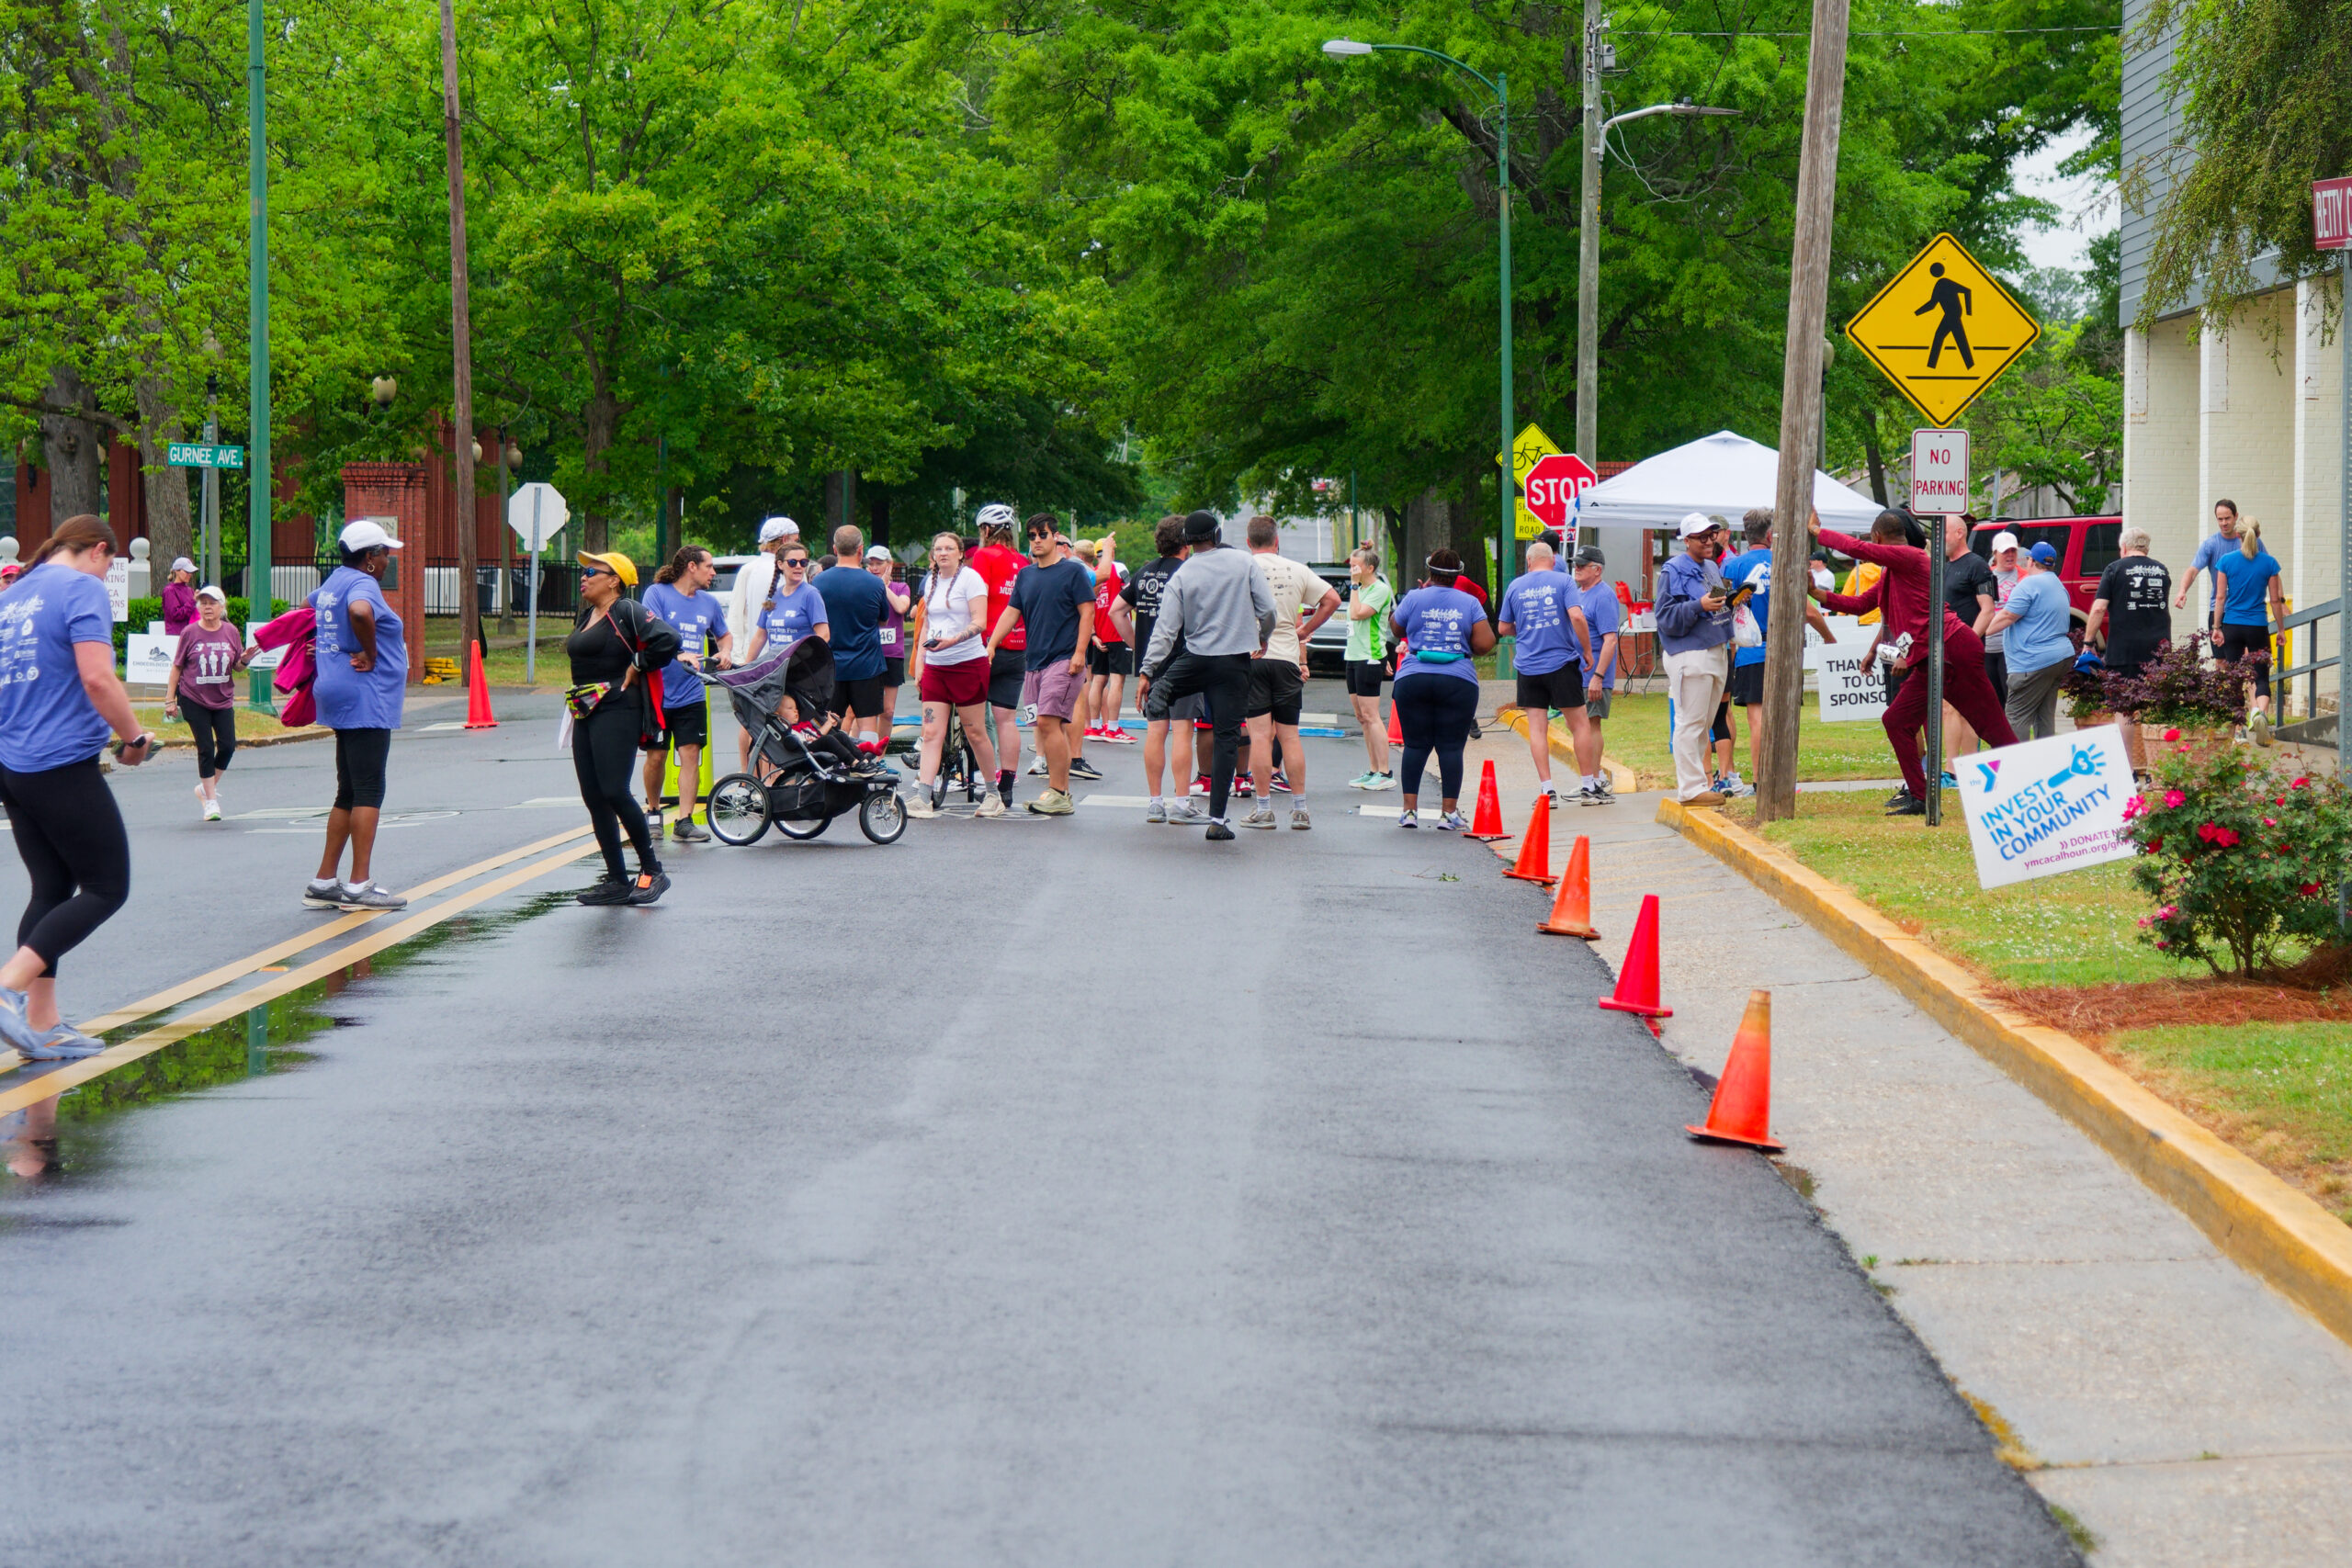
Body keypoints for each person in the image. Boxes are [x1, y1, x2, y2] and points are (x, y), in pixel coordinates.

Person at [0, 514, 154, 1061]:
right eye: (110, 565)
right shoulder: (81, 588)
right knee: (107, 886)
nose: (106, 575)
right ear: (98, 550)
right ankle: (8, 986)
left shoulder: (13, 596)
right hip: (59, 758)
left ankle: (42, 1025)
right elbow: (97, 677)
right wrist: (133, 737)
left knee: (51, 887)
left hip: (12, 761)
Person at [1810, 509, 2015, 815]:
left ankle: (2033, 785)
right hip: (1932, 660)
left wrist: (1818, 532)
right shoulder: (1894, 572)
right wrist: (1815, 592)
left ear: (1878, 537)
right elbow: (1861, 605)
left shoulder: (1911, 557)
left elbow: (1860, 549)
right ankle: (1921, 797)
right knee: (1896, 721)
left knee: (1993, 729)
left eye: (1873, 541)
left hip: (1953, 650)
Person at [1137, 511, 1275, 840]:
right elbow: (1268, 609)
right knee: (1227, 737)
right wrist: (1263, 635)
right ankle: (1218, 820)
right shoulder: (1243, 562)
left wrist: (1147, 671)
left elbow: (1166, 629)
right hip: (1233, 662)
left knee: (1171, 684)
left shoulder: (1184, 573)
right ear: (1217, 534)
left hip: (1196, 658)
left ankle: (1163, 691)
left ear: (1187, 540)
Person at [304, 520, 411, 911]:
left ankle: (323, 881)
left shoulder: (335, 580)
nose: (388, 560)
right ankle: (358, 885)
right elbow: (361, 612)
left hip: (339, 691)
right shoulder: (364, 585)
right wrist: (370, 652)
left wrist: (326, 641)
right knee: (369, 789)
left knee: (348, 789)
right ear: (369, 558)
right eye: (385, 554)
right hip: (366, 695)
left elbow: (311, 605)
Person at [567, 551, 677, 906]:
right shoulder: (587, 614)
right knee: (593, 795)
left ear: (614, 580)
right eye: (583, 572)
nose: (584, 577)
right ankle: (616, 879)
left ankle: (653, 870)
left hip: (619, 706)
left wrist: (639, 662)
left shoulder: (627, 610)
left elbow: (669, 639)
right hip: (586, 708)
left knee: (615, 790)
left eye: (591, 571)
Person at [1717, 510, 1834, 797]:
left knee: (1757, 719)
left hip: (1750, 651)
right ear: (1770, 535)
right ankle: (1783, 779)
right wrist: (1829, 639)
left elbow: (1721, 608)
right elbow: (1809, 612)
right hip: (1785, 652)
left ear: (1746, 534)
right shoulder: (1786, 562)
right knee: (1783, 719)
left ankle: (1761, 783)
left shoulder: (1733, 567)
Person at [985, 514, 1094, 816]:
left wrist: (1080, 653)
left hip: (1064, 659)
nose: (1036, 540)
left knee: (1048, 722)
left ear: (1055, 537)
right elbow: (1011, 613)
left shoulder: (1073, 571)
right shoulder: (1026, 575)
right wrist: (992, 644)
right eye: (1031, 535)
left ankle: (1059, 792)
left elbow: (1087, 612)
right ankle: (1059, 793)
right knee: (1046, 727)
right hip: (1034, 663)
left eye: (1042, 534)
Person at [1387, 548, 1496, 830]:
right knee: (1451, 747)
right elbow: (1486, 643)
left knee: (1415, 745)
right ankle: (1448, 815)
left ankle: (1409, 812)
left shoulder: (1415, 597)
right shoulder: (1470, 603)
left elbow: (1396, 629)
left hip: (1413, 678)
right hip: (1457, 680)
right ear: (1458, 574)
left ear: (1429, 571)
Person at [1241, 516, 1339, 829]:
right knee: (1290, 735)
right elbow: (1332, 600)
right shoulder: (1296, 569)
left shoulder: (1241, 568)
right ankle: (1300, 809)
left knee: (1259, 736)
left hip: (1252, 657)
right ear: (1277, 540)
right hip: (1286, 658)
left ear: (1248, 542)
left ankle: (1263, 809)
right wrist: (1304, 631)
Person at [907, 532, 1007, 819]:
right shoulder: (931, 582)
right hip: (936, 667)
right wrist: (921, 663)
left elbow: (980, 622)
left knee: (975, 731)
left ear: (960, 553)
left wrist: (952, 641)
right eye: (938, 548)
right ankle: (923, 797)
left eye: (949, 548)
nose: (943, 553)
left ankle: (992, 794)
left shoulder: (970, 579)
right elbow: (927, 625)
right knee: (930, 733)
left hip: (967, 664)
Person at [640, 545, 732, 842]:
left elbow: (724, 635)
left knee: (690, 755)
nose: (713, 573)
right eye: (709, 566)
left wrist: (725, 652)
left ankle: (684, 821)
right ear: (692, 567)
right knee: (656, 756)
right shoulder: (657, 594)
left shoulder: (709, 603)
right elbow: (650, 632)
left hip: (692, 692)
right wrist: (678, 652)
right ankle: (653, 810)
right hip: (658, 691)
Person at [1112, 517, 1201, 820]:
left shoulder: (1144, 572)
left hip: (1152, 666)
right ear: (1186, 542)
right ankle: (1182, 802)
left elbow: (1116, 611)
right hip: (1184, 661)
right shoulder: (1188, 572)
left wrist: (1139, 647)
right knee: (1183, 731)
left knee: (1156, 730)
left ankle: (1155, 802)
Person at [1496, 539, 1595, 805]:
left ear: (1528, 562)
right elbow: (1577, 616)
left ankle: (1547, 789)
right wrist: (1587, 650)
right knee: (1580, 724)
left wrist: (1525, 628)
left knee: (1538, 729)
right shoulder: (1564, 581)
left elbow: (1503, 628)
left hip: (1528, 666)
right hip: (1561, 662)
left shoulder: (1515, 586)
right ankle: (1588, 784)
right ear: (1552, 561)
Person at [1655, 513, 1736, 807]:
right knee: (1690, 722)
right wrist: (1698, 605)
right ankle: (1690, 789)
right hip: (1690, 653)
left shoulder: (1712, 566)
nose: (1709, 541)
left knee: (1704, 724)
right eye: (1702, 537)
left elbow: (1716, 603)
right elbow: (1665, 617)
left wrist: (1733, 601)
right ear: (1686, 540)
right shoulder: (1672, 570)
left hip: (1716, 648)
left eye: (1712, 535)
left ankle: (1700, 784)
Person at [163, 583, 253, 820]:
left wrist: (245, 660)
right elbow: (177, 667)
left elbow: (237, 666)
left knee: (228, 746)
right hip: (193, 697)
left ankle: (205, 788)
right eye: (203, 603)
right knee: (205, 747)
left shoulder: (231, 631)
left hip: (222, 699)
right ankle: (211, 802)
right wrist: (170, 700)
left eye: (212, 603)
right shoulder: (190, 632)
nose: (207, 607)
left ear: (222, 607)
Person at [967, 502, 1028, 806]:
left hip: (986, 645)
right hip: (1017, 646)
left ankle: (984, 779)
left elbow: (975, 598)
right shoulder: (1023, 560)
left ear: (988, 530)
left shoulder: (984, 556)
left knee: (974, 718)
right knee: (1006, 720)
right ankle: (1007, 786)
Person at [1985, 541, 2072, 741]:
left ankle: (2016, 760)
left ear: (2031, 561)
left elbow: (2008, 615)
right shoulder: (2059, 585)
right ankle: (2045, 759)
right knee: (2044, 716)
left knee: (2016, 717)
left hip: (2032, 661)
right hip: (2059, 658)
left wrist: (1979, 634)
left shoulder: (2029, 584)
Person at [814, 525, 891, 750]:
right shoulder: (875, 583)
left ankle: (832, 764)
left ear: (835, 549)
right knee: (867, 721)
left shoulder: (819, 582)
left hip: (831, 665)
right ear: (860, 549)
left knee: (830, 721)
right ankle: (868, 764)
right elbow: (883, 620)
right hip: (866, 663)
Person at [1936, 516, 1999, 779]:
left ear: (1960, 533)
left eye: (1945, 533)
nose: (1941, 539)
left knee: (1958, 708)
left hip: (1965, 648)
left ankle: (1956, 769)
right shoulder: (1944, 566)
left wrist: (1969, 641)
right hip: (1946, 647)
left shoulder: (1977, 566)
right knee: (1952, 708)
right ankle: (1961, 768)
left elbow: (1988, 610)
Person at [2211, 520, 2285, 745]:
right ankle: (2259, 714)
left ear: (2238, 535)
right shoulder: (2270, 563)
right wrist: (2281, 629)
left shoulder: (2226, 561)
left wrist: (2217, 627)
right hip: (2257, 626)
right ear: (2258, 534)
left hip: (2232, 625)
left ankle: (2239, 732)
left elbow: (2220, 597)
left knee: (2235, 678)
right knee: (2261, 675)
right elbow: (2275, 600)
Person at [1568, 547, 1622, 803]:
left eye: (1582, 565)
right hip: (1577, 672)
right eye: (1575, 564)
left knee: (1591, 724)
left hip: (1594, 674)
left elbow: (1610, 639)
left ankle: (1595, 780)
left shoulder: (1603, 596)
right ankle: (1589, 779)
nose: (1576, 569)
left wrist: (1598, 676)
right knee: (1579, 726)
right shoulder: (1579, 594)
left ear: (1597, 569)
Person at [2083, 527, 2171, 678]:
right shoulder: (2162, 570)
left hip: (2123, 653)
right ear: (2147, 549)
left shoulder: (2114, 569)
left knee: (2123, 691)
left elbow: (2099, 609)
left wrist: (2088, 644)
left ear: (2123, 547)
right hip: (2159, 650)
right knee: (2154, 692)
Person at [1342, 545, 1396, 791]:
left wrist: (1354, 587)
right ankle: (1373, 769)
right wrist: (1356, 587)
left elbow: (1357, 614)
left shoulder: (1379, 589)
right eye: (1351, 566)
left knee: (1372, 715)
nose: (1352, 570)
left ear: (1370, 568)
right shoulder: (1361, 589)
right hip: (1353, 655)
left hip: (1370, 657)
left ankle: (1385, 772)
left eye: (1356, 566)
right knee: (1361, 717)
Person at [724, 517, 797, 658]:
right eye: (796, 541)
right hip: (787, 656)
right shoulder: (795, 571)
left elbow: (735, 617)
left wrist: (738, 658)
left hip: (753, 656)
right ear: (784, 539)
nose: (798, 546)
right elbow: (736, 616)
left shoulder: (748, 570)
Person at [1085, 538, 1134, 746]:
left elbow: (1088, 605)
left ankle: (1095, 726)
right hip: (1119, 632)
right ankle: (1112, 727)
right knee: (1117, 682)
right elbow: (1132, 593)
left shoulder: (1094, 574)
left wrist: (1093, 635)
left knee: (1098, 680)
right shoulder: (1118, 568)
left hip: (1100, 634)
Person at [868, 546, 911, 744]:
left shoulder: (900, 588)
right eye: (871, 564)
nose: (874, 568)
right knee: (865, 709)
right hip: (868, 653)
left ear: (890, 565)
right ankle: (862, 751)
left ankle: (880, 755)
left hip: (892, 654)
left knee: (888, 710)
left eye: (879, 563)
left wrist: (883, 587)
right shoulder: (864, 587)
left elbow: (901, 607)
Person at [2175, 498, 2245, 614]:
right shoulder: (2210, 544)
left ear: (2236, 516)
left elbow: (2268, 569)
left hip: (2245, 610)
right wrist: (2182, 591)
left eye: (2227, 518)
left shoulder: (2249, 541)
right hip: (2219, 609)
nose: (2224, 523)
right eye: (2220, 519)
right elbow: (2192, 571)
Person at [1976, 531, 2021, 698]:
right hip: (1987, 647)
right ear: (1995, 554)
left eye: (2013, 551)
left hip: (2011, 649)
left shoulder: (2024, 577)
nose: (2010, 555)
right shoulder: (1985, 576)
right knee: (1992, 698)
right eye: (2005, 551)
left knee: (2011, 697)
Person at [161, 557, 198, 635]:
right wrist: (193, 601)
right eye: (187, 571)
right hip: (176, 636)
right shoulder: (169, 590)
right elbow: (175, 615)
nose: (190, 574)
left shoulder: (190, 590)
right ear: (177, 571)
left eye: (191, 572)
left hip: (190, 634)